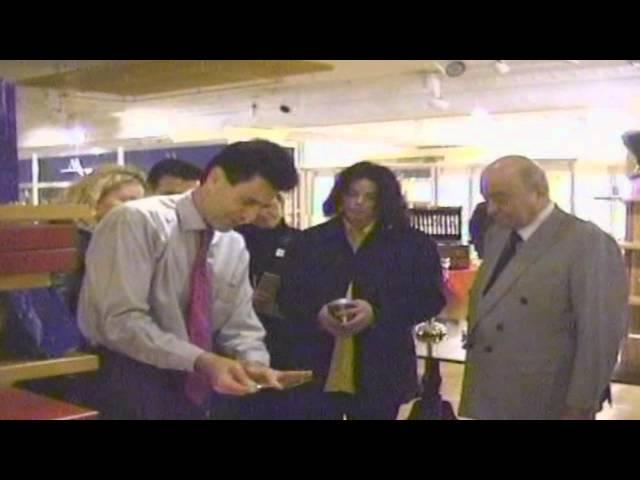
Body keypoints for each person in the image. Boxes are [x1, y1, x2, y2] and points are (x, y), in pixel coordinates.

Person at [77, 140, 310, 420]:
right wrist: (203, 361)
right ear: (214, 178)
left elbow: (239, 322)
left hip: (193, 387)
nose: (249, 216)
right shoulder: (136, 221)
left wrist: (253, 363)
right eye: (247, 201)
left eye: (262, 206)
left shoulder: (231, 244)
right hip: (125, 378)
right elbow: (120, 322)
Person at [459, 155, 629, 420]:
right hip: (491, 395)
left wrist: (581, 405)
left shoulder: (586, 242)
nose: (491, 209)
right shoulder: (498, 235)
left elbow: (599, 336)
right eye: (487, 199)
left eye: (501, 198)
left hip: (544, 402)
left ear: (538, 193)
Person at [280, 161, 446, 420]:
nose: (359, 202)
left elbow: (430, 297)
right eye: (352, 194)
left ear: (385, 201)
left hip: (382, 365)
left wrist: (376, 312)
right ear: (340, 195)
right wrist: (317, 313)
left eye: (370, 197)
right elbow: (288, 295)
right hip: (316, 362)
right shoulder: (309, 242)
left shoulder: (412, 244)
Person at [214, 194, 302, 419]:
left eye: (271, 205)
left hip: (284, 337)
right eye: (260, 207)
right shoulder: (231, 242)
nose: (266, 212)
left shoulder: (300, 241)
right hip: (233, 338)